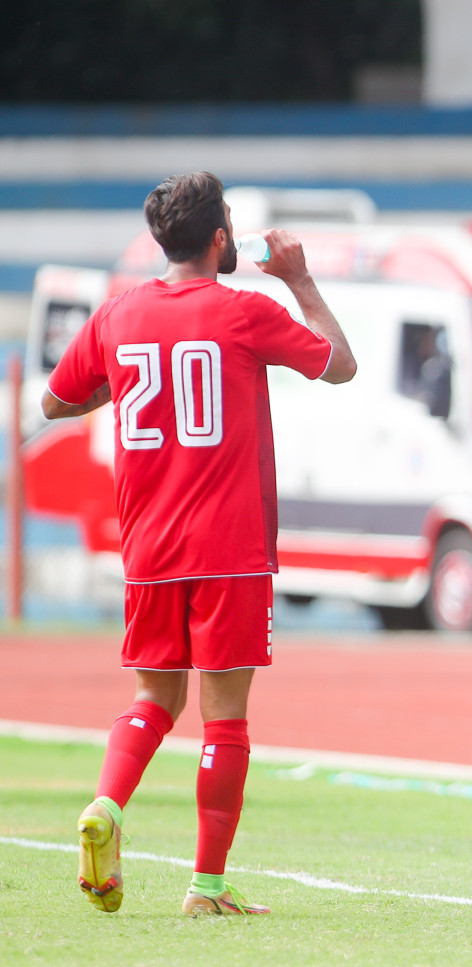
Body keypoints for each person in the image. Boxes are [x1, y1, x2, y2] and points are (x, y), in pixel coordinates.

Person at [44, 171, 356, 916]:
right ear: (222, 238)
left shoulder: (119, 314)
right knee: (226, 719)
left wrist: (119, 383)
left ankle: (107, 808)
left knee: (154, 698)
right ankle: (206, 887)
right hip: (230, 548)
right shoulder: (244, 311)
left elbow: (56, 400)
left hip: (148, 547)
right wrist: (301, 280)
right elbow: (340, 364)